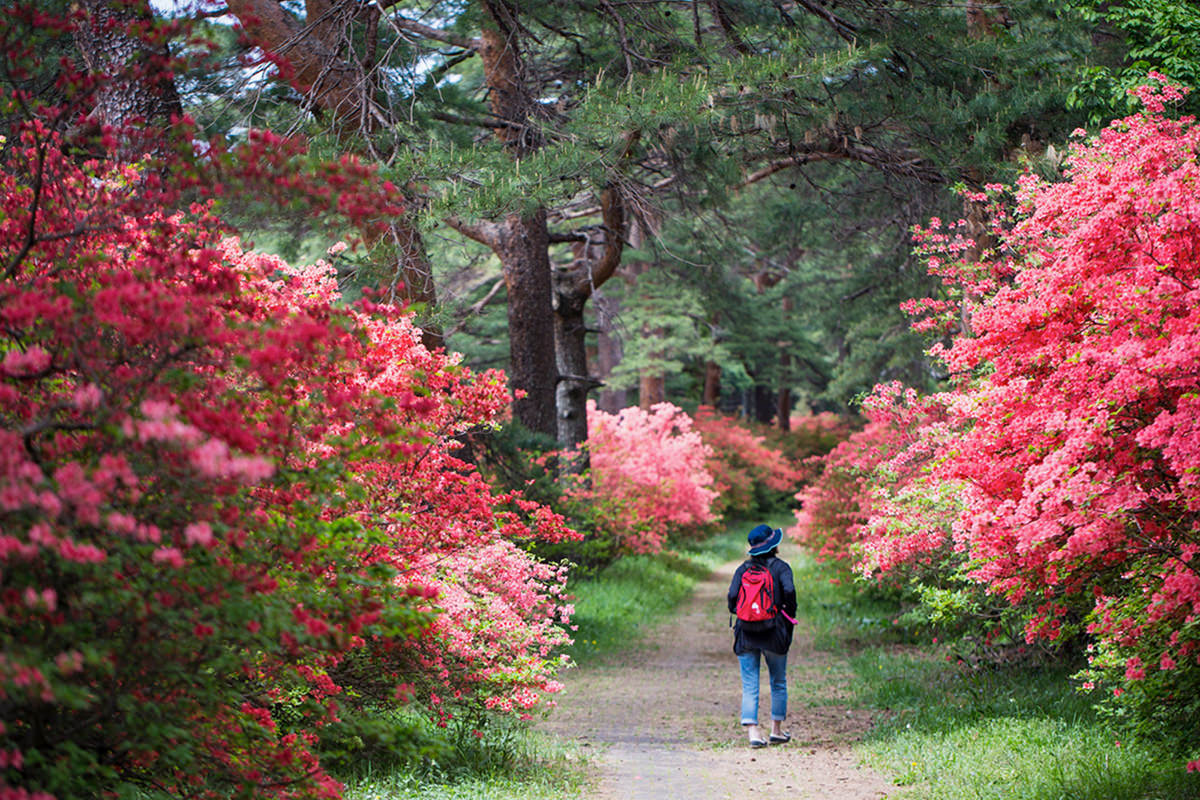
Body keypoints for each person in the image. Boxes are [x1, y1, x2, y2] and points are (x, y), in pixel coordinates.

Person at [727, 524, 796, 748]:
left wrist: (743, 612)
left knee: (750, 684)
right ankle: (776, 730)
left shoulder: (743, 569)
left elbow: (732, 596)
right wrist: (788, 616)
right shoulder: (782, 568)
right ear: (774, 544)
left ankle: (753, 733)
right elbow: (790, 592)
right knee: (778, 681)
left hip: (746, 632)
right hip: (774, 631)